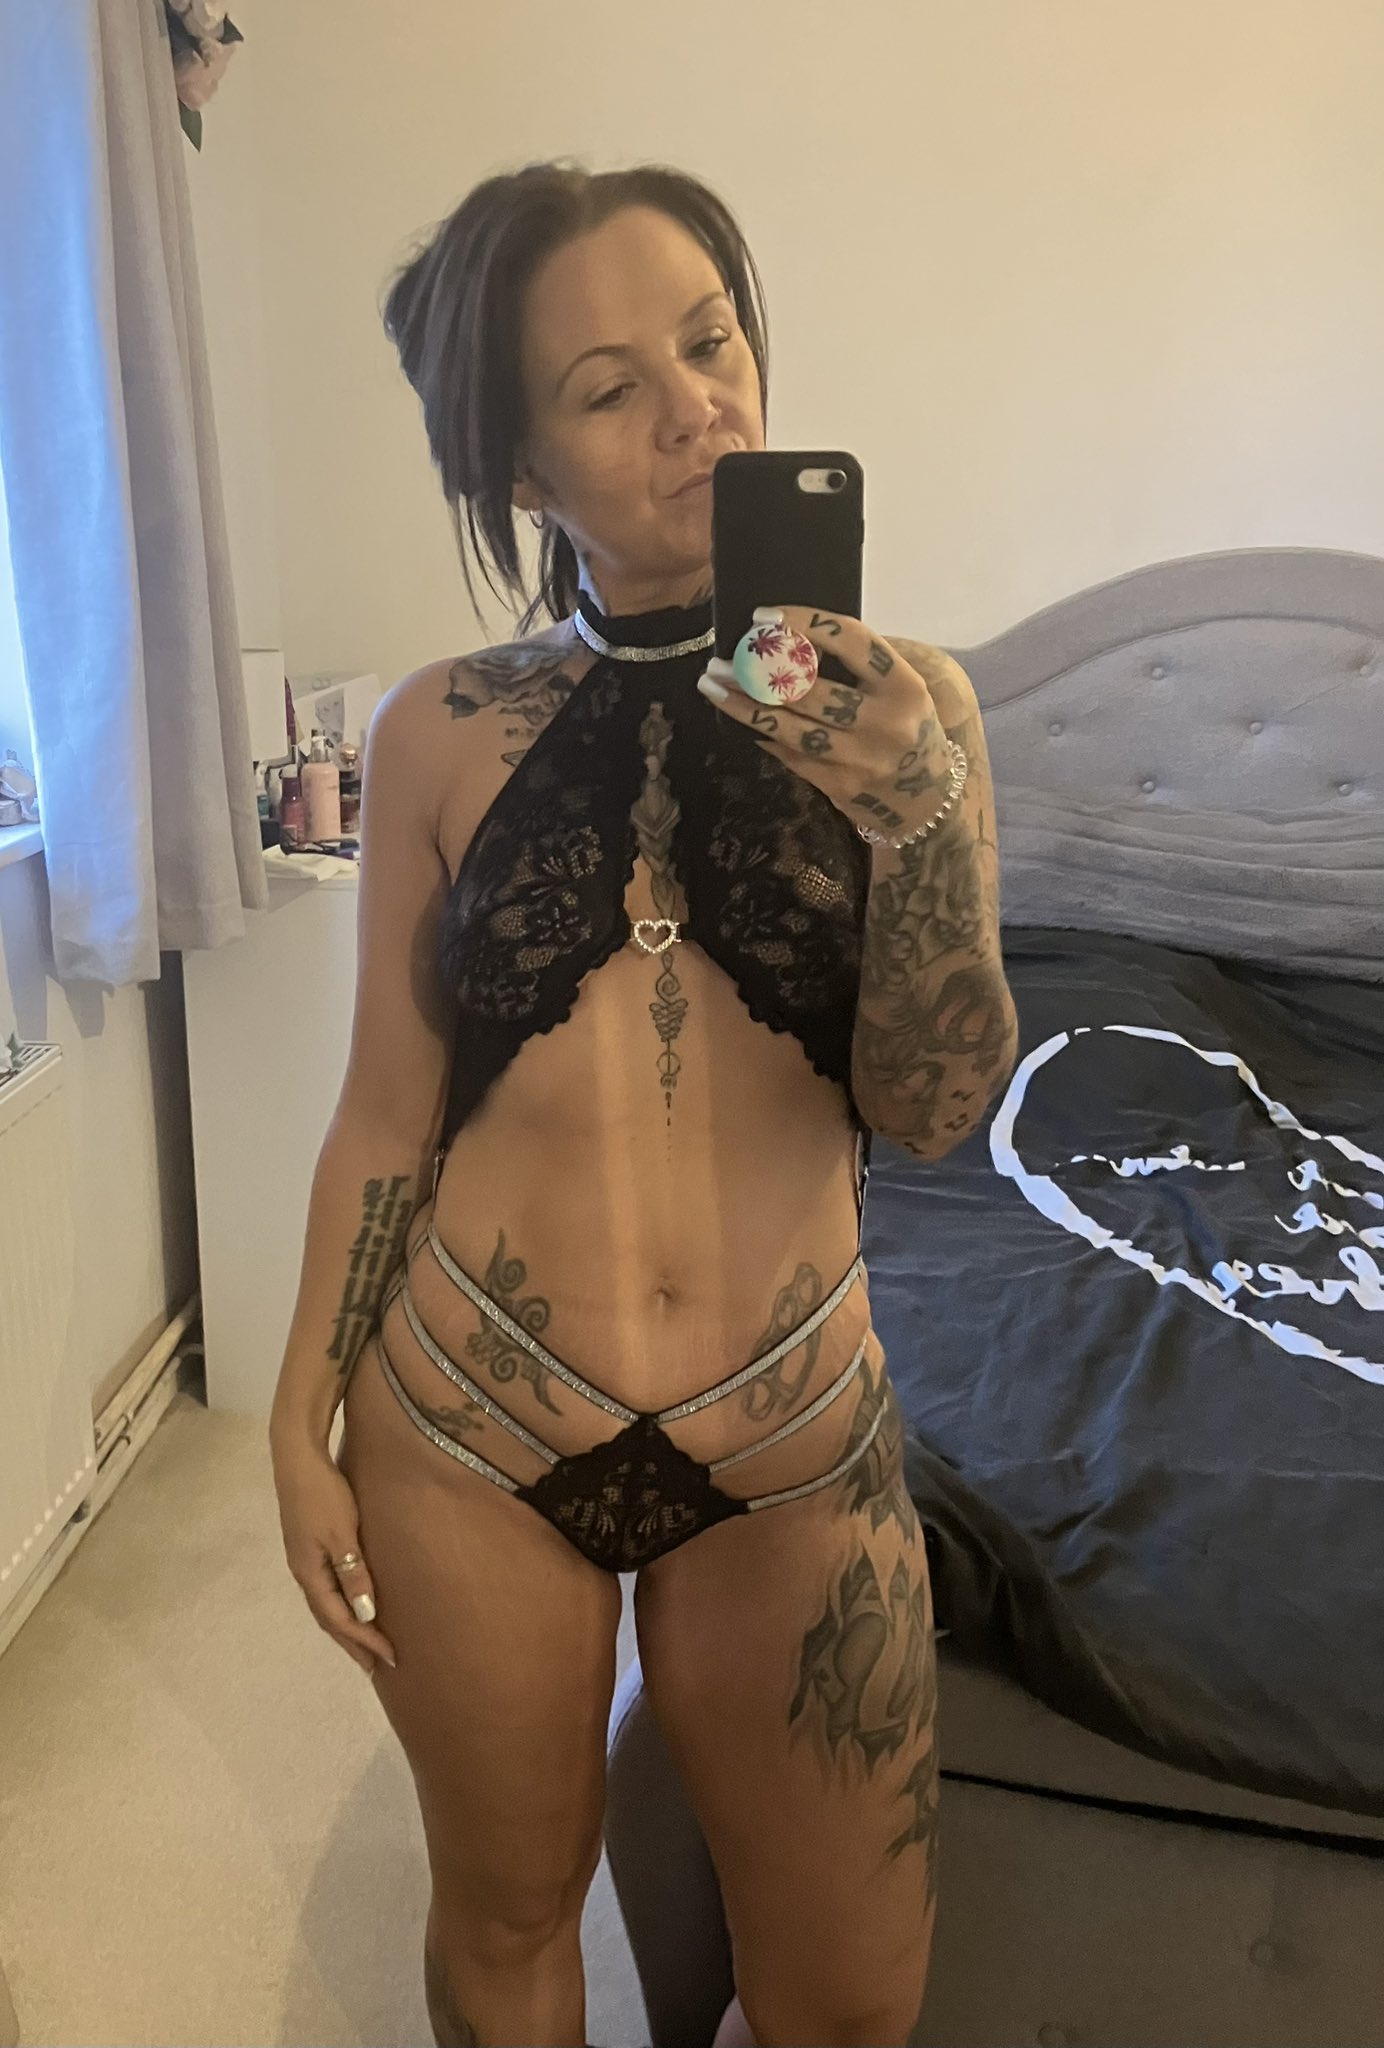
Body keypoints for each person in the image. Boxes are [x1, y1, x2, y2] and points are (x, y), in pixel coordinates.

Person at [268, 160, 1018, 2048]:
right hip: (468, 1423)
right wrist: (295, 1413)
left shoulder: (919, 714)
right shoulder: (437, 729)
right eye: (611, 389)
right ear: (523, 471)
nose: (699, 408)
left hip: (794, 1435)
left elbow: (938, 1110)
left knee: (853, 2001)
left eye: (711, 341)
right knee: (509, 1915)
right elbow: (385, 1116)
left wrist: (920, 823)